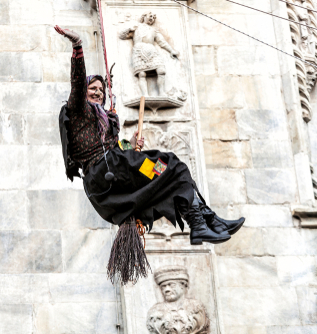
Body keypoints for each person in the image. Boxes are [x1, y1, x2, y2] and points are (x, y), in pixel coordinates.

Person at [55, 25, 244, 283]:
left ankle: (203, 222)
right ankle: (202, 222)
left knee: (171, 172)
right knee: (170, 165)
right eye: (93, 88)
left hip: (117, 172)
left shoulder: (104, 124)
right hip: (107, 172)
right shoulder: (79, 112)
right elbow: (77, 83)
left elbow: (111, 149)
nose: (98, 91)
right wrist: (77, 46)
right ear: (84, 93)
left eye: (101, 89)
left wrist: (131, 145)